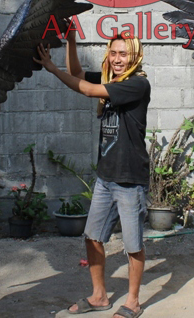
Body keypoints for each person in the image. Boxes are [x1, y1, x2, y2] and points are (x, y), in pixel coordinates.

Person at [35, 30, 150, 318]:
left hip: (130, 179)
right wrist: (72, 40)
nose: (117, 59)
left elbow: (86, 89)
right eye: (114, 52)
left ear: (134, 57)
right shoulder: (110, 79)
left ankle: (133, 302)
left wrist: (52, 69)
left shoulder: (137, 84)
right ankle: (99, 296)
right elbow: (77, 73)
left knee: (133, 245)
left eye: (123, 54)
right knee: (92, 237)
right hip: (106, 177)